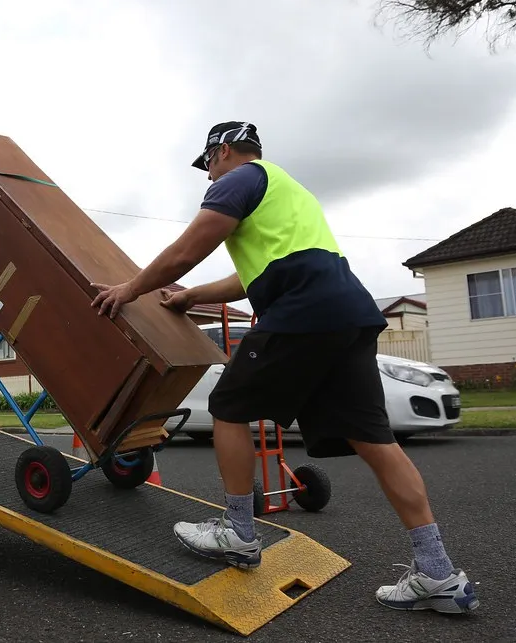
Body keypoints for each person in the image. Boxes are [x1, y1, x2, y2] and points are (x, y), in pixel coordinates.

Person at [89, 121, 479, 614]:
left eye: (207, 165)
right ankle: (438, 573)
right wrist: (191, 297)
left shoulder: (239, 179)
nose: (208, 178)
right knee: (375, 441)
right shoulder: (286, 190)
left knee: (228, 406)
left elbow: (189, 249)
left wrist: (130, 289)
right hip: (348, 311)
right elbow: (250, 276)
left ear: (224, 151)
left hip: (302, 308)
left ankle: (237, 531)